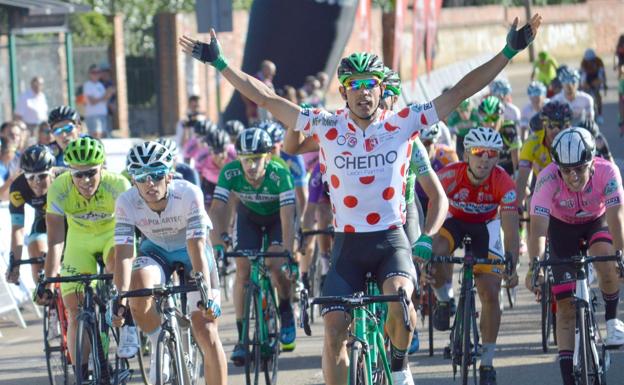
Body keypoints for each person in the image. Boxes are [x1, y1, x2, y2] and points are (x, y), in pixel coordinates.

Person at [180, 14, 540, 384]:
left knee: (401, 304)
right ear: (344, 90)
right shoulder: (327, 125)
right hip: (348, 244)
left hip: (391, 239)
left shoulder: (404, 121)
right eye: (355, 85)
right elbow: (266, 97)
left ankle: (399, 370)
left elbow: (460, 91)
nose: (364, 92)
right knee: (334, 329)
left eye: (371, 85)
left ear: (381, 90)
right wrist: (220, 63)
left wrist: (508, 51)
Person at [113, 141, 226, 385]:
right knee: (138, 291)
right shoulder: (126, 201)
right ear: (133, 180)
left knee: (206, 331)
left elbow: (196, 245)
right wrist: (120, 295)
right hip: (156, 251)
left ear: (169, 174)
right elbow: (124, 253)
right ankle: (158, 348)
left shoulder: (188, 193)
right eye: (141, 177)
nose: (149, 183)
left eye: (156, 174)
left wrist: (205, 293)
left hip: (191, 251)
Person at [526, 127, 624, 385]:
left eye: (579, 169)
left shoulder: (608, 172)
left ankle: (612, 318)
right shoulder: (547, 179)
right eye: (566, 170)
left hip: (597, 220)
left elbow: (616, 217)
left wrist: (621, 255)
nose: (572, 176)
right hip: (561, 228)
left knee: (606, 257)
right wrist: (535, 265)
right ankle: (568, 378)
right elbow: (537, 227)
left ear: (592, 162)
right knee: (566, 308)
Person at [429, 127, 519, 385]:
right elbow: (433, 212)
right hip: (454, 220)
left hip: (486, 227)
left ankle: (487, 362)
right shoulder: (448, 175)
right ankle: (445, 299)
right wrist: (424, 247)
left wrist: (511, 262)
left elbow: (511, 229)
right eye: (479, 153)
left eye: (492, 154)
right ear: (467, 154)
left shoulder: (504, 182)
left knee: (491, 292)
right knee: (437, 254)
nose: (485, 159)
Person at [37, 137, 131, 374]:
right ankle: (82, 371)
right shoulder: (59, 188)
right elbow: (56, 239)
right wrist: (49, 280)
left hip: (112, 235)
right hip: (79, 240)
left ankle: (120, 316)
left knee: (114, 265)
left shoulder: (118, 185)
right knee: (75, 309)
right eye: (78, 175)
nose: (85, 180)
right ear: (70, 172)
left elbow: (126, 239)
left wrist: (122, 290)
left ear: (102, 167)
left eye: (91, 172)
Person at [209, 128, 297, 364]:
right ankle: (241, 339)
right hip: (249, 218)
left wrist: (288, 249)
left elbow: (289, 216)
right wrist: (218, 242)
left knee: (275, 266)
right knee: (243, 272)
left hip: (277, 219)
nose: (251, 165)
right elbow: (217, 208)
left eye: (257, 159)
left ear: (268, 157)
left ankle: (286, 310)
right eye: (246, 159)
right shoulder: (230, 172)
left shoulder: (280, 173)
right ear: (238, 158)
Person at [6, 145, 56, 285]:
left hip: (70, 222)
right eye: (30, 177)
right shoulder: (18, 187)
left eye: (42, 175)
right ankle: (47, 299)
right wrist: (15, 264)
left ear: (52, 172)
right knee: (37, 255)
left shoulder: (64, 179)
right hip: (43, 220)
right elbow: (18, 229)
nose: (37, 182)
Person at [516, 101, 571, 208]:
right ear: (544, 124)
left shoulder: (574, 141)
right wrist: (517, 206)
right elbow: (522, 178)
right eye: (550, 125)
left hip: (568, 185)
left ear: (568, 126)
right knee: (531, 203)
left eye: (559, 126)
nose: (555, 130)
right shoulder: (532, 142)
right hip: (542, 184)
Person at [83, 65, 115, 138]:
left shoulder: (100, 85)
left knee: (103, 135)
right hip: (93, 115)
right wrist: (105, 94)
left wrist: (109, 93)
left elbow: (105, 100)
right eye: (93, 72)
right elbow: (92, 102)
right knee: (96, 136)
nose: (96, 74)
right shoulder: (88, 85)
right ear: (89, 74)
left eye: (98, 72)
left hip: (103, 115)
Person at [579, 48, 606, 122]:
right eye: (588, 61)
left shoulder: (599, 62)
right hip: (587, 78)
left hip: (596, 77)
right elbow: (582, 77)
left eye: (591, 61)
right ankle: (586, 114)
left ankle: (600, 114)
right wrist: (584, 85)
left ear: (594, 59)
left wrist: (600, 84)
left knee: (597, 95)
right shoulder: (583, 63)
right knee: (585, 95)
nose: (589, 63)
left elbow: (601, 77)